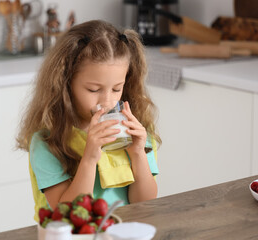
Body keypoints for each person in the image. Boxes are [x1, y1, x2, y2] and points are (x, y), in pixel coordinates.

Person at [17, 20, 161, 222]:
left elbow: (144, 202)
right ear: (65, 84)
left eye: (117, 88)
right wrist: (90, 157)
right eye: (94, 90)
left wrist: (138, 153)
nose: (107, 102)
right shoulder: (47, 142)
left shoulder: (135, 129)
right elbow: (65, 214)